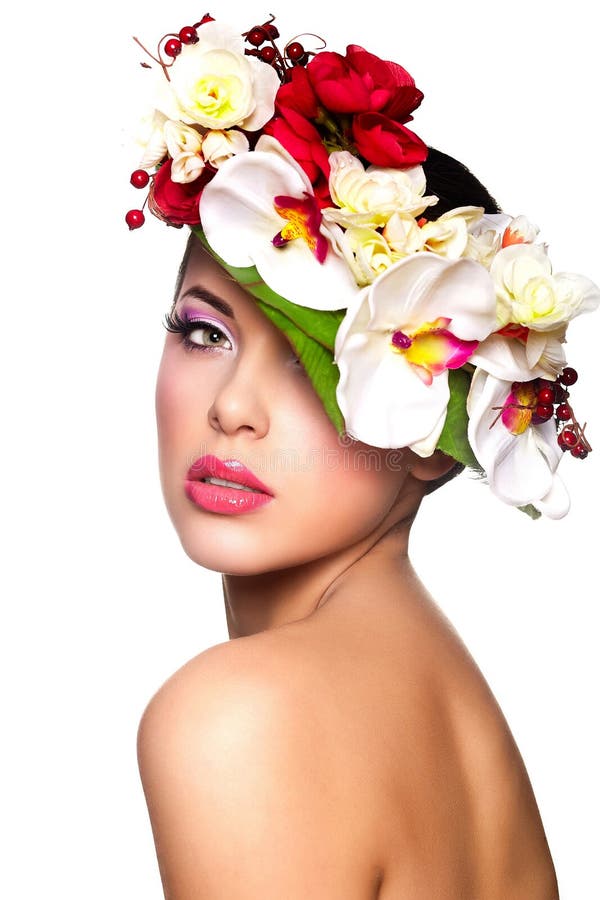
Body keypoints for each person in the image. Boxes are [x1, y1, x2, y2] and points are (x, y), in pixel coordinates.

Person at [127, 14, 599, 898]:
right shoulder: (456, 712)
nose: (231, 409)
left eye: (317, 365)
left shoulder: (242, 717)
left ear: (435, 446)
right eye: (203, 331)